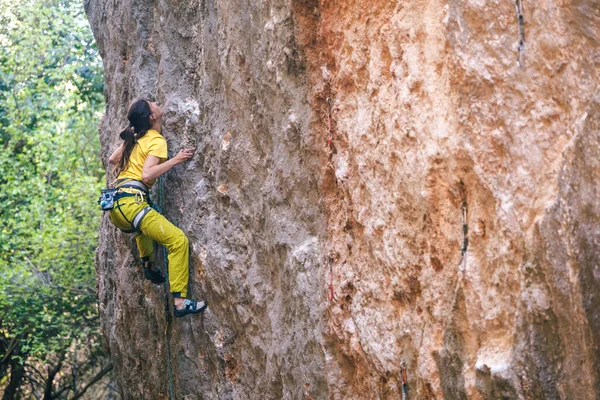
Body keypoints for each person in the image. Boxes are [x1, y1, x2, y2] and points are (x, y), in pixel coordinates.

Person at [107, 99, 207, 317]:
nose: (154, 102)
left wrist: (131, 135)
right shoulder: (156, 140)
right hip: (132, 204)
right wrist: (176, 160)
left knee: (146, 220)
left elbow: (113, 159)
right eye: (151, 104)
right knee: (178, 240)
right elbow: (147, 175)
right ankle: (181, 303)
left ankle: (149, 266)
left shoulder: (137, 138)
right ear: (152, 117)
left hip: (118, 206)